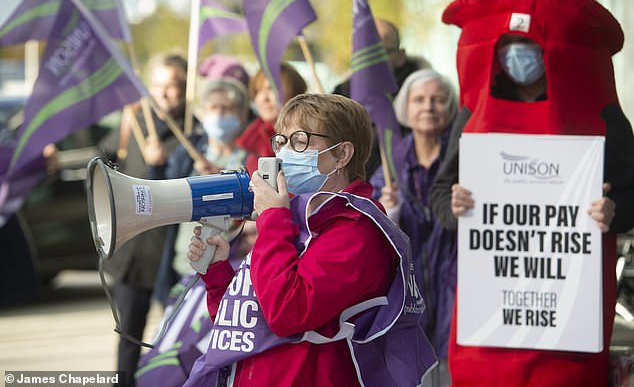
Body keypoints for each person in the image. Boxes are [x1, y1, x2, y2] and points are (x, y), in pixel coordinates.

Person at [429, 0, 634, 386]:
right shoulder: (475, 111)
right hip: (489, 311)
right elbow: (440, 191)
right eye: (508, 46)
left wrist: (614, 212)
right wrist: (454, 208)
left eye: (528, 45)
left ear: (554, 51)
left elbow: (632, 196)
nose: (517, 57)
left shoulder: (602, 113)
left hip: (570, 318)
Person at [184, 93, 437, 386]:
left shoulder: (357, 232)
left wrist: (272, 219)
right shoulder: (299, 220)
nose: (284, 153)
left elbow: (287, 313)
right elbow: (244, 325)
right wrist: (218, 275)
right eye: (281, 142)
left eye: (300, 141)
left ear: (342, 154)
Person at [99, 52, 188, 387]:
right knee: (129, 340)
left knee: (174, 341)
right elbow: (103, 163)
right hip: (132, 255)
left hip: (170, 255)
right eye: (157, 85)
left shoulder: (192, 130)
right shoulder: (133, 119)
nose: (163, 93)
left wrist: (161, 166)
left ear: (185, 89)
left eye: (173, 86)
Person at [370, 68, 458, 387]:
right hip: (409, 300)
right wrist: (387, 207)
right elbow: (371, 230)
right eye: (419, 100)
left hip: (456, 296)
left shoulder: (464, 155)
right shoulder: (390, 161)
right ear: (405, 109)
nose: (428, 107)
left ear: (451, 107)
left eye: (437, 100)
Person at [145, 77, 252, 293]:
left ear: (242, 115)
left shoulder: (253, 158)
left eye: (227, 108)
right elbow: (162, 198)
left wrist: (222, 181)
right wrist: (155, 166)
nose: (220, 114)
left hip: (233, 268)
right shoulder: (188, 153)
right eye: (213, 107)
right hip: (184, 267)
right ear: (203, 114)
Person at [333, 18, 431, 177]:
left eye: (381, 51)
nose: (371, 60)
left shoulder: (426, 99)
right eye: (365, 50)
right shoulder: (337, 100)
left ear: (400, 56)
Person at [235, 62, 307, 175]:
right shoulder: (252, 137)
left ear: (294, 94)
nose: (264, 98)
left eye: (271, 89)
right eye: (258, 91)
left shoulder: (307, 141)